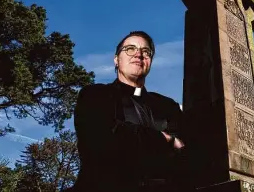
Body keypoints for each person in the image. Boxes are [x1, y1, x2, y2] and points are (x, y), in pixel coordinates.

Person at [72, 31, 188, 192]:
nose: (139, 54)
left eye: (146, 52)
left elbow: (187, 153)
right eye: (130, 49)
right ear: (116, 60)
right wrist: (166, 139)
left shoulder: (168, 105)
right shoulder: (94, 95)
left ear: (150, 61)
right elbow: (102, 141)